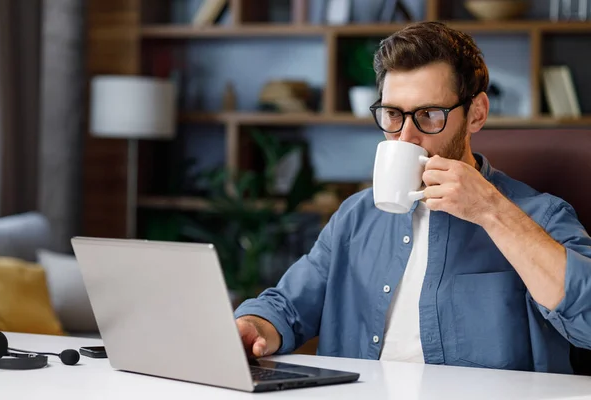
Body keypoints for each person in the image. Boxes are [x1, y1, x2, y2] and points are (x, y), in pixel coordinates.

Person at [233, 21, 591, 373]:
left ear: (476, 114)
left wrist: (489, 210)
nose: (405, 137)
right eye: (392, 114)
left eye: (428, 115)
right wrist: (255, 326)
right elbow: (287, 307)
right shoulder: (355, 216)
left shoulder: (540, 215)